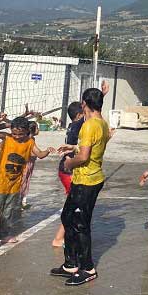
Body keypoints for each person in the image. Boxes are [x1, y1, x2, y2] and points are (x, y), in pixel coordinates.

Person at [50, 88, 110, 286]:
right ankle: (70, 263)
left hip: (87, 181)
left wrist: (69, 163)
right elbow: (90, 148)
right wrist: (73, 147)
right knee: (67, 216)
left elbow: (84, 157)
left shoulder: (89, 125)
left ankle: (88, 268)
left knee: (80, 224)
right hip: (85, 180)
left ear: (84, 103)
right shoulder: (102, 122)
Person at [0, 116, 54, 243]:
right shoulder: (7, 138)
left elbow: (40, 154)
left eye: (20, 134)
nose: (17, 136)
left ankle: (4, 235)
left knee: (8, 210)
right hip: (0, 181)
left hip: (15, 183)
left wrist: (47, 150)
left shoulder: (30, 142)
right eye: (14, 133)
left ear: (26, 132)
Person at [51, 101, 84, 247]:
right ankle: (59, 238)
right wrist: (100, 97)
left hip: (66, 169)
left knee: (75, 203)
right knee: (74, 204)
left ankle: (62, 236)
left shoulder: (72, 125)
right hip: (68, 170)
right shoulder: (77, 125)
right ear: (78, 115)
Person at [19, 121, 40, 209]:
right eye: (37, 128)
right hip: (26, 163)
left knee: (27, 181)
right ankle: (19, 201)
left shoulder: (32, 139)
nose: (38, 130)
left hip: (30, 163)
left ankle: (23, 201)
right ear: (33, 130)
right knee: (23, 181)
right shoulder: (27, 139)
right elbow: (33, 152)